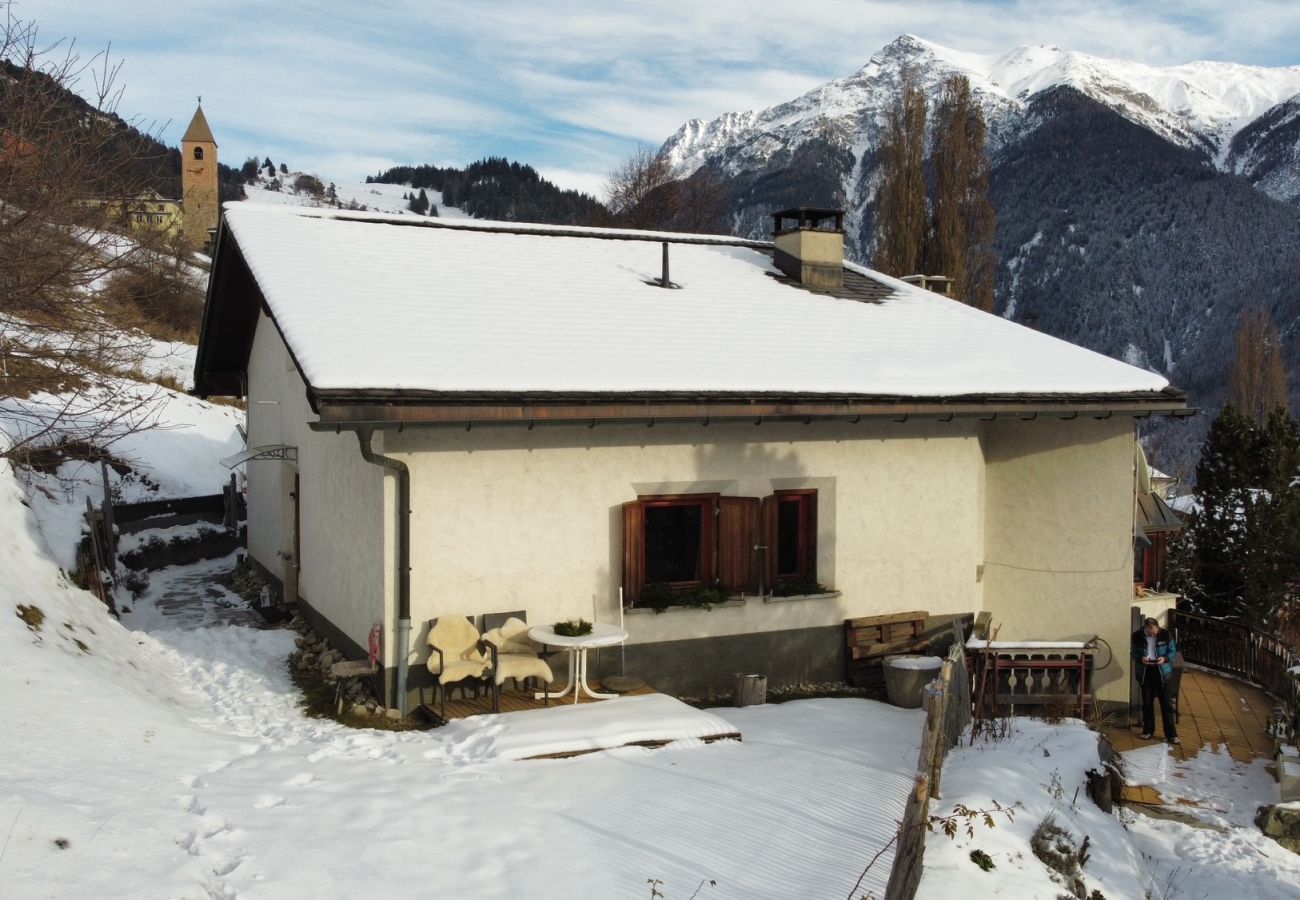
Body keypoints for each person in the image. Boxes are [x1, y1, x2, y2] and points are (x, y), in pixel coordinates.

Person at [1131, 617, 1179, 744]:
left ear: (1158, 628)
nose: (1151, 634)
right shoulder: (1137, 636)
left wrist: (1165, 658)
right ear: (1144, 629)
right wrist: (1140, 659)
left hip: (1162, 672)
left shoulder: (1165, 634)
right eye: (1149, 632)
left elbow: (1173, 651)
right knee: (1147, 704)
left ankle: (1171, 735)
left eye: (1153, 632)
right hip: (1146, 672)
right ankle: (1148, 731)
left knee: (1167, 705)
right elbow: (1133, 653)